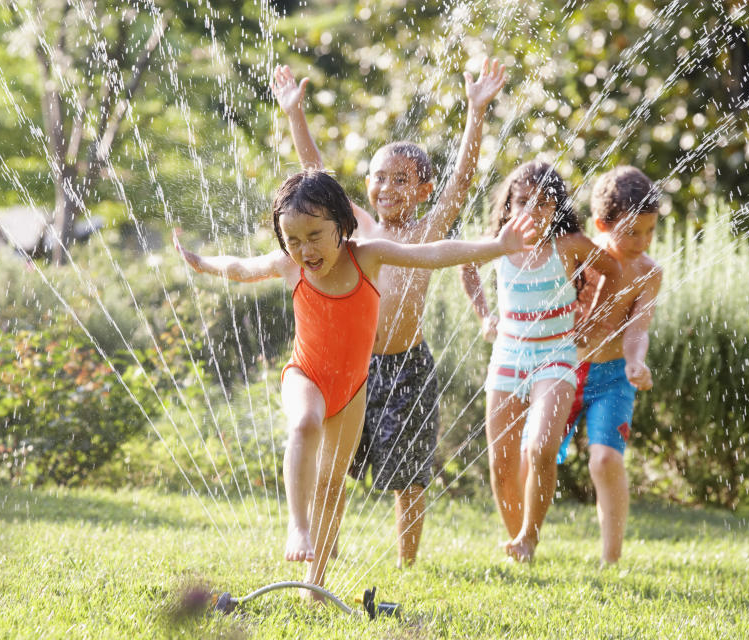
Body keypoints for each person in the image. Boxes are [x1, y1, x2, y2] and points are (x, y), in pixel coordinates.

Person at [174, 170, 535, 594]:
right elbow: (239, 267)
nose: (304, 250)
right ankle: (297, 526)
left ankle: (315, 583)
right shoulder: (290, 266)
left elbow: (435, 252)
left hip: (352, 391)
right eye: (292, 240)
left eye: (314, 235)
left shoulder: (368, 256)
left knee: (331, 483)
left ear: (342, 225)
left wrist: (498, 246)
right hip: (305, 374)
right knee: (305, 422)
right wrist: (202, 263)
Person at [271, 58, 508, 567]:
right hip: (349, 368)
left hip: (407, 366)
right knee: (332, 465)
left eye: (401, 180)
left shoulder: (424, 231)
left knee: (409, 471)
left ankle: (406, 562)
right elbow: (314, 180)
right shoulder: (353, 229)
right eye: (378, 178)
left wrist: (475, 112)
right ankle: (321, 546)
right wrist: (296, 116)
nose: (386, 189)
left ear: (423, 190)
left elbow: (462, 181)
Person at [460, 160, 621, 562]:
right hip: (509, 355)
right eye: (523, 202)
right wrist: (484, 315)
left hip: (556, 357)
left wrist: (594, 320)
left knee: (541, 448)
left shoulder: (570, 247)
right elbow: (465, 264)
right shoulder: (498, 244)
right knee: (501, 460)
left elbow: (614, 271)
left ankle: (530, 536)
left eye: (544, 203)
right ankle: (518, 542)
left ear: (557, 208)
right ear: (509, 205)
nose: (532, 211)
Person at [554, 166, 663, 565]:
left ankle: (610, 560)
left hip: (614, 375)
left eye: (650, 231)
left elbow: (638, 328)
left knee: (605, 460)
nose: (643, 241)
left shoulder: (648, 272)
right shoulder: (581, 258)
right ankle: (525, 537)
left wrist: (636, 361)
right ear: (602, 223)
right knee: (540, 452)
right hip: (565, 370)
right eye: (633, 232)